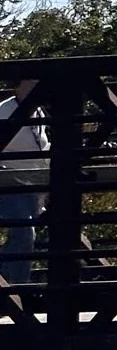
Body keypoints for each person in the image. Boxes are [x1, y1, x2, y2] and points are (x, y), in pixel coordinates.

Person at [0, 80, 45, 288]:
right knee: (24, 232)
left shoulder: (39, 113)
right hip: (9, 182)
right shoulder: (4, 111)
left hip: (32, 184)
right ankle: (13, 288)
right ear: (18, 87)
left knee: (26, 234)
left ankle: (13, 287)